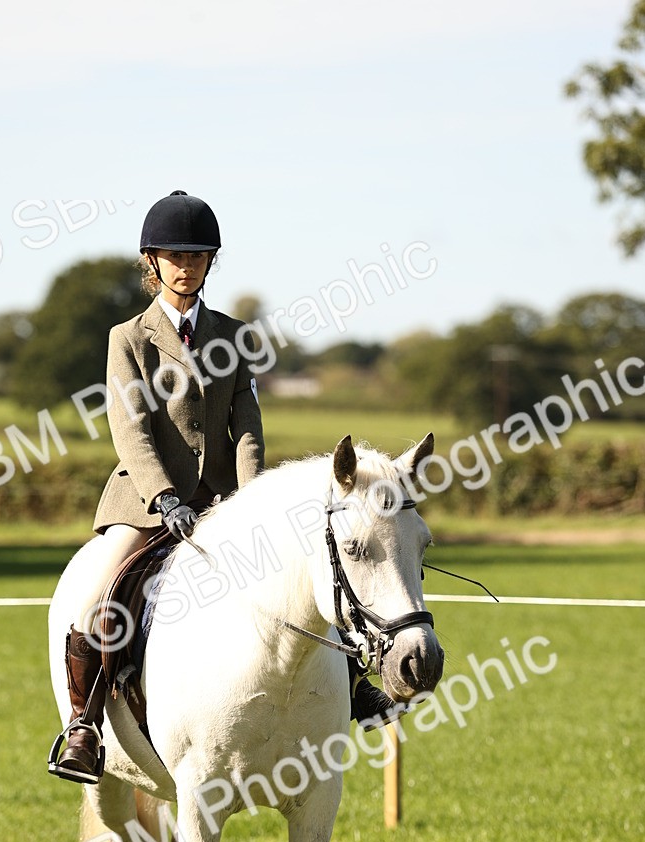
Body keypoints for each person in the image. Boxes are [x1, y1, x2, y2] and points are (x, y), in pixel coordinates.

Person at [49, 190, 395, 786]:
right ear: (151, 262)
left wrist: (250, 502)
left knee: (312, 574)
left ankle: (356, 687)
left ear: (211, 262)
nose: (186, 266)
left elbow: (247, 430)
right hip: (145, 503)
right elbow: (130, 432)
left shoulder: (235, 336)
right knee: (97, 599)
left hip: (223, 503)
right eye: (173, 255)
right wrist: (164, 498)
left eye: (198, 256)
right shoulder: (127, 339)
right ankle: (83, 726)